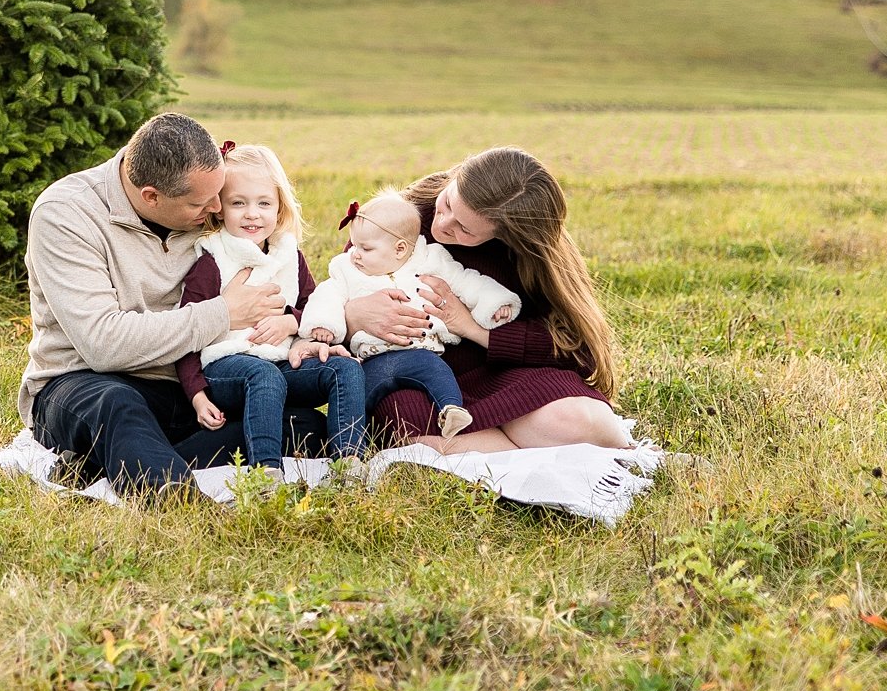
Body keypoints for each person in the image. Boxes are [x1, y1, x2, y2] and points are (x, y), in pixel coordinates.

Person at [19, 112, 287, 495]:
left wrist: (344, 314)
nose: (217, 209)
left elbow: (283, 275)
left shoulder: (209, 208)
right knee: (118, 406)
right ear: (151, 196)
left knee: (296, 417)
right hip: (86, 384)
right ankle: (173, 495)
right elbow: (104, 345)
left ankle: (103, 461)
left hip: (191, 384)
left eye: (220, 193)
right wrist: (223, 312)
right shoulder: (67, 214)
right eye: (202, 202)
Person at [341, 146, 630, 450]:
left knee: (576, 422)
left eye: (464, 229)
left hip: (508, 373)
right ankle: (523, 449)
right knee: (407, 423)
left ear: (506, 234)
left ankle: (505, 447)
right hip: (420, 376)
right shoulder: (398, 217)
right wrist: (354, 316)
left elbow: (573, 349)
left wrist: (471, 327)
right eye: (448, 203)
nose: (443, 225)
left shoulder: (532, 254)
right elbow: (338, 292)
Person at [173, 142, 369, 463]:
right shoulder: (213, 259)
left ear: (279, 208)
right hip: (225, 368)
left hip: (280, 363)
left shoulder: (289, 255)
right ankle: (266, 471)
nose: (253, 213)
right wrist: (196, 394)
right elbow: (186, 334)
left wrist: (292, 322)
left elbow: (316, 304)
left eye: (264, 203)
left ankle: (350, 460)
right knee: (263, 375)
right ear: (219, 207)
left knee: (343, 369)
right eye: (239, 203)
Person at [300, 188, 520, 443]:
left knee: (437, 372)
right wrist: (323, 324)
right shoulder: (349, 269)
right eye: (355, 245)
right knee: (354, 395)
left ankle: (450, 410)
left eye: (365, 248)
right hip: (372, 358)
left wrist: (495, 303)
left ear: (400, 248)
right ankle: (349, 443)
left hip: (420, 353)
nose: (355, 253)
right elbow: (328, 294)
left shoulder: (430, 261)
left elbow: (467, 282)